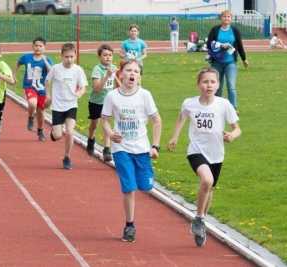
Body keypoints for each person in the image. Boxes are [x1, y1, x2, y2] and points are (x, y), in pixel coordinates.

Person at [167, 67, 241, 247]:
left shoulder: (224, 104)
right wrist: (175, 136)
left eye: (213, 82)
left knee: (210, 189)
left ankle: (201, 221)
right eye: (205, 82)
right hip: (196, 150)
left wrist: (232, 135)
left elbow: (237, 128)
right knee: (206, 181)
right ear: (198, 84)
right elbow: (181, 119)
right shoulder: (189, 103)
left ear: (217, 84)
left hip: (217, 154)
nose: (209, 85)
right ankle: (199, 218)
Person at [101, 60, 162, 243]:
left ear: (139, 77)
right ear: (121, 74)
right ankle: (129, 225)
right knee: (129, 188)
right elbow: (104, 119)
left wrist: (155, 146)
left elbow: (157, 120)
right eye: (128, 70)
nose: (131, 74)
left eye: (135, 71)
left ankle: (143, 179)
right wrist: (111, 134)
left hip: (142, 148)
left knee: (145, 186)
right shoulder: (112, 96)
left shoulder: (145, 95)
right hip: (122, 149)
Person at [45, 43, 88, 170]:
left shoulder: (78, 70)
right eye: (66, 57)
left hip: (71, 105)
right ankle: (54, 133)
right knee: (58, 135)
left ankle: (67, 157)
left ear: (75, 56)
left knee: (70, 132)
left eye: (71, 56)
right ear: (61, 56)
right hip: (57, 106)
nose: (69, 59)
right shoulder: (55, 69)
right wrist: (48, 95)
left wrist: (80, 92)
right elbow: (47, 81)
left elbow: (83, 86)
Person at [206, 10, 248, 112]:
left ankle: (233, 108)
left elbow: (240, 45)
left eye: (228, 17)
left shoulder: (234, 30)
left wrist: (244, 59)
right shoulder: (215, 30)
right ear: (221, 18)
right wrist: (220, 45)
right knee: (217, 87)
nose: (226, 18)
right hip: (216, 62)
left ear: (231, 18)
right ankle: (216, 107)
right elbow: (209, 44)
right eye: (224, 17)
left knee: (231, 86)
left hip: (230, 62)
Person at [15, 37, 53, 141]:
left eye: (40, 46)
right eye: (36, 45)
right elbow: (18, 62)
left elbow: (51, 72)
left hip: (42, 89)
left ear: (44, 48)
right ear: (33, 46)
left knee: (41, 112)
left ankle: (40, 131)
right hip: (29, 86)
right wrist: (14, 74)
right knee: (32, 103)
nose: (38, 48)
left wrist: (45, 61)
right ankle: (31, 117)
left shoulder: (47, 60)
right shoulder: (26, 57)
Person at [86, 44, 118, 161]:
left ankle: (107, 149)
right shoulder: (97, 69)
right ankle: (91, 139)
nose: (108, 57)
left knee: (106, 124)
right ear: (99, 56)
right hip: (96, 102)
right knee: (94, 125)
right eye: (105, 55)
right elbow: (97, 88)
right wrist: (107, 75)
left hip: (108, 102)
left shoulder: (114, 68)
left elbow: (116, 85)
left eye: (110, 55)